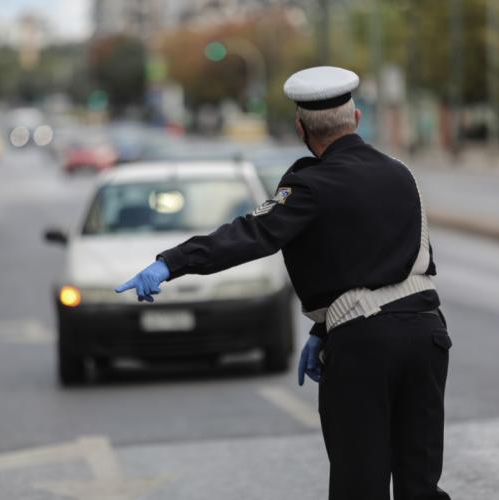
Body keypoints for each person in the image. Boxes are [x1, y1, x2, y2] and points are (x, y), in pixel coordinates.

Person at [115, 66, 452, 500]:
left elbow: (250, 234)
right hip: (427, 336)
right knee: (421, 485)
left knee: (360, 485)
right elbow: (393, 261)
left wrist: (170, 263)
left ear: (300, 128)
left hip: (365, 347)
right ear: (357, 119)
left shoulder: (310, 185)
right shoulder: (400, 173)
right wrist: (323, 327)